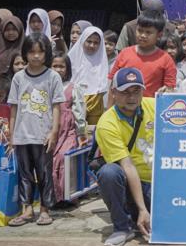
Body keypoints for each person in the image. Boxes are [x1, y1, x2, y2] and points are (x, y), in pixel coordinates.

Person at [6, 32, 63, 227]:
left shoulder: (52, 76)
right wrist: (11, 134)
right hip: (22, 135)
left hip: (43, 135)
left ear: (46, 53)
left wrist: (54, 131)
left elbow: (57, 106)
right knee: (24, 174)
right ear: (25, 53)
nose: (36, 56)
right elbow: (13, 107)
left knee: (44, 173)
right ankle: (27, 209)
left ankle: (45, 210)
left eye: (40, 52)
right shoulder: (18, 78)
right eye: (31, 52)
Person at [95, 67, 156, 246]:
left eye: (136, 91)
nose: (131, 97)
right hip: (132, 184)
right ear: (113, 93)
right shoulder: (106, 123)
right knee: (108, 172)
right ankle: (122, 227)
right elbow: (127, 166)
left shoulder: (156, 105)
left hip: (160, 185)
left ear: (143, 91)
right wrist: (143, 209)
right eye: (125, 92)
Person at [108, 9, 176, 98]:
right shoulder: (124, 54)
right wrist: (109, 110)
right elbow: (113, 84)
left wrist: (167, 90)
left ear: (159, 35)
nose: (143, 35)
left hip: (151, 108)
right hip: (124, 107)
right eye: (140, 30)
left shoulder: (166, 59)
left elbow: (169, 89)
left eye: (148, 32)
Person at [50, 53, 87, 204]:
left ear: (68, 69)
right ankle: (54, 196)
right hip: (52, 130)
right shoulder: (47, 86)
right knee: (51, 161)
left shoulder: (73, 88)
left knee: (64, 158)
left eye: (61, 66)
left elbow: (79, 112)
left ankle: (68, 195)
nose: (58, 69)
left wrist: (81, 133)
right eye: (55, 66)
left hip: (68, 131)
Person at [67, 25, 109, 124]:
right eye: (89, 41)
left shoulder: (102, 62)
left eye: (96, 43)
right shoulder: (70, 59)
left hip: (95, 100)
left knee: (91, 132)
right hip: (73, 99)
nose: (92, 45)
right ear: (82, 40)